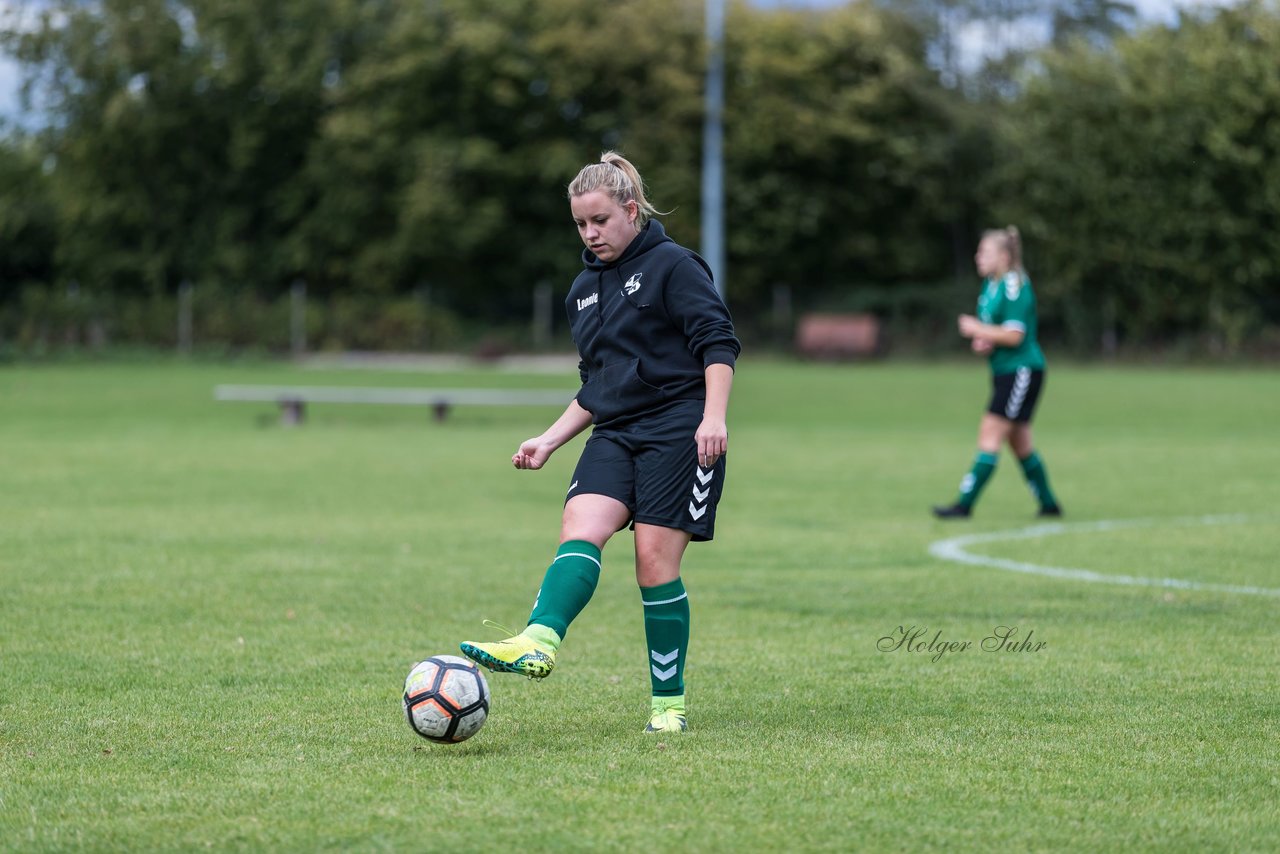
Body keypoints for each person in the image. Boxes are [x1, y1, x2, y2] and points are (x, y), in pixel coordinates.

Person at [460, 151, 740, 734]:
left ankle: (668, 706)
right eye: (580, 224)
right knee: (580, 527)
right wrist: (549, 439)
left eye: (600, 221)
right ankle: (537, 640)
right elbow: (598, 385)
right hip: (616, 431)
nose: (590, 233)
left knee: (652, 563)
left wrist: (714, 418)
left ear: (630, 211)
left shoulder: (674, 266)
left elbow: (718, 344)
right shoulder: (582, 289)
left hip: (680, 428)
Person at [932, 226, 1062, 519]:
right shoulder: (991, 285)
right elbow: (998, 331)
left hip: (1022, 371)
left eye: (984, 252)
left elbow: (1016, 335)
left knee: (990, 433)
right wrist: (985, 340)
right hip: (1006, 371)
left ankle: (963, 505)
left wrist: (978, 329)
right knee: (1020, 443)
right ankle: (1050, 505)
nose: (978, 257)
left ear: (1004, 256)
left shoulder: (1014, 285)